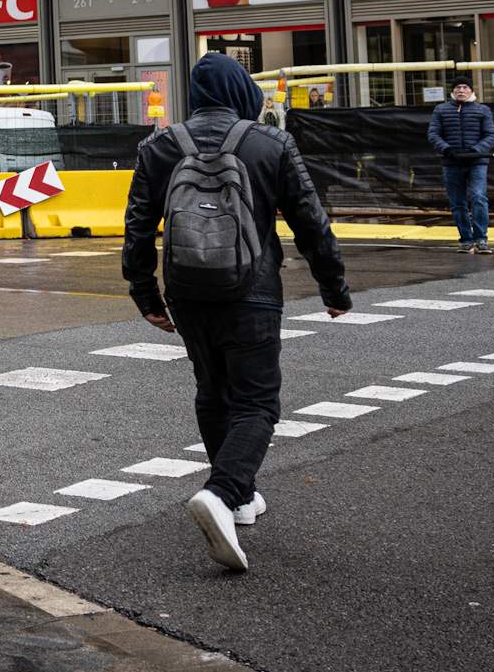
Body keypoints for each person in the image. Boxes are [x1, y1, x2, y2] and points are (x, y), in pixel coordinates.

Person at [122, 52, 351, 574]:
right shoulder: (270, 141)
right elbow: (310, 221)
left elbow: (137, 228)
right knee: (256, 402)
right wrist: (333, 287)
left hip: (186, 290)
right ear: (243, 90)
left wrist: (145, 296)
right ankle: (223, 493)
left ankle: (242, 498)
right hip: (252, 287)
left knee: (213, 391)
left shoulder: (159, 146)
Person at [426, 76, 494, 253]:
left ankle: (481, 239)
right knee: (457, 202)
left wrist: (476, 150)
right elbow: (433, 134)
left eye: (465, 87)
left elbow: (491, 135)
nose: (461, 90)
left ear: (471, 91)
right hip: (451, 163)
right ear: (452, 91)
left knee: (478, 197)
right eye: (457, 87)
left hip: (477, 162)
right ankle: (466, 240)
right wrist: (447, 149)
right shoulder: (441, 110)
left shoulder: (483, 110)